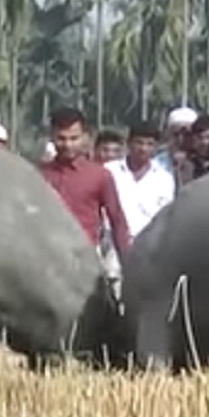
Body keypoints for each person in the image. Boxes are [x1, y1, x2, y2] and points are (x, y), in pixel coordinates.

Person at [39, 108, 131, 291]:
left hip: (86, 259)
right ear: (52, 137)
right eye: (61, 138)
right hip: (46, 259)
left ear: (86, 138)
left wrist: (128, 264)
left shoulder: (100, 176)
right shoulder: (39, 175)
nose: (68, 145)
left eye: (74, 138)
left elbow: (117, 220)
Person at [104, 121, 174, 244]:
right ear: (129, 143)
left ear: (156, 147)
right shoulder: (109, 171)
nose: (143, 149)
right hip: (112, 243)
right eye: (139, 143)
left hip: (149, 244)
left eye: (149, 144)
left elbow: (165, 216)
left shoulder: (165, 179)